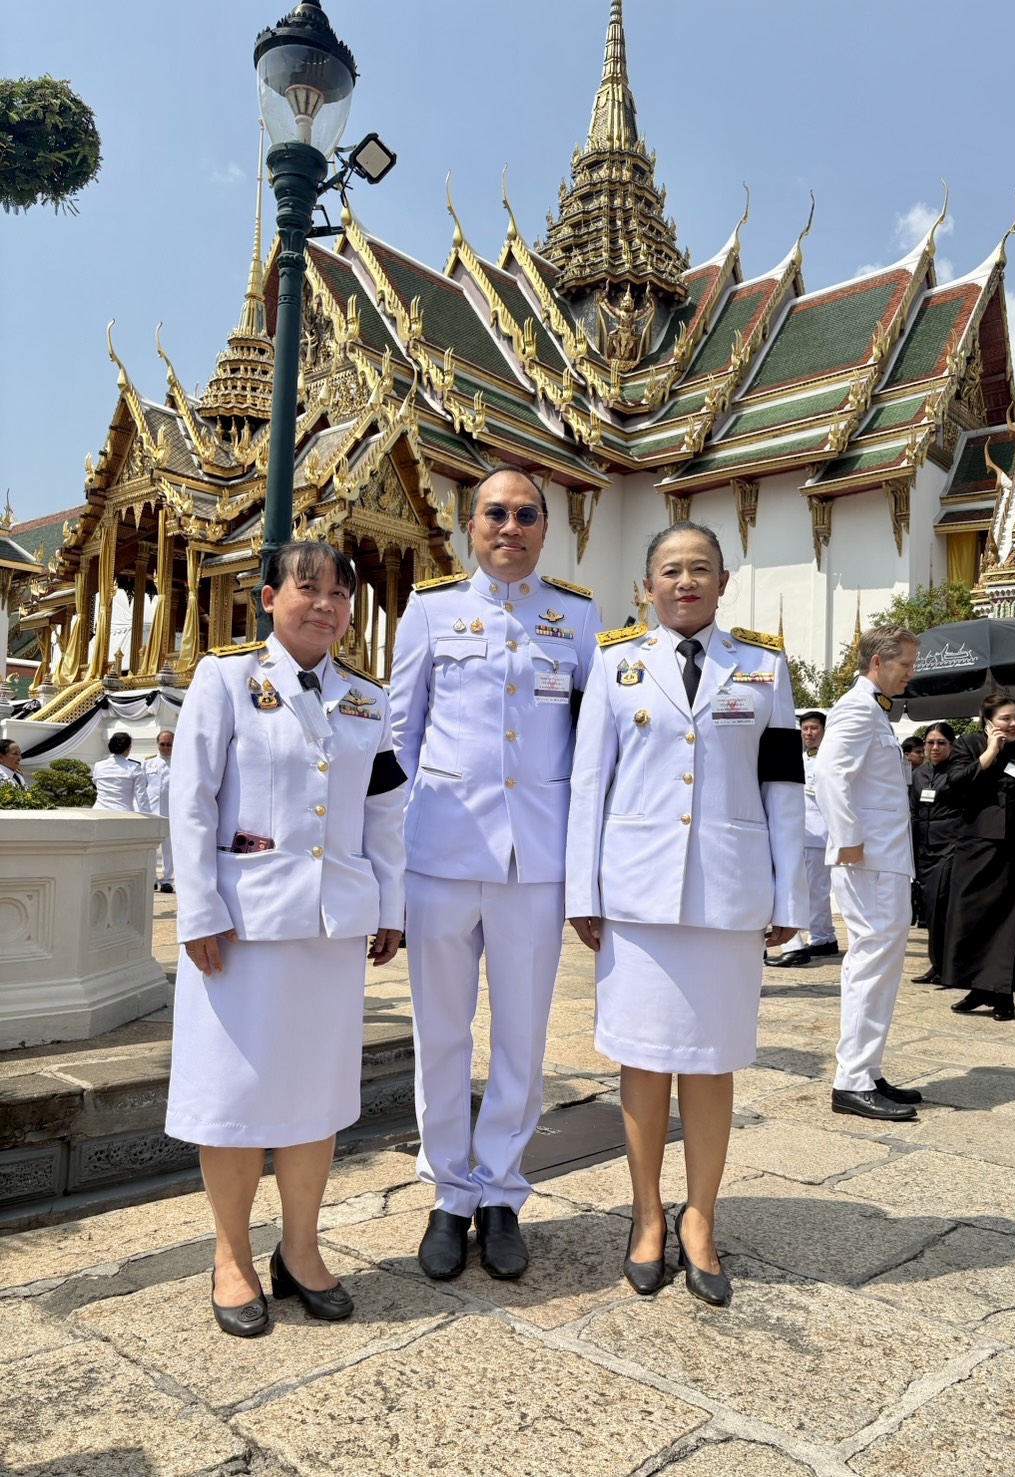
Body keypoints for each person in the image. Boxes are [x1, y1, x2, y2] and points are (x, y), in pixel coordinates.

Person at [165, 541, 406, 1337]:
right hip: (241, 928)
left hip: (332, 926)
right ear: (268, 597)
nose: (327, 605)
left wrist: (390, 904)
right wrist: (197, 907)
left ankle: (300, 1248)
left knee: (315, 1097)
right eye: (309, 590)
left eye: (340, 594)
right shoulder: (226, 679)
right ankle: (230, 1253)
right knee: (234, 1099)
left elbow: (385, 816)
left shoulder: (368, 700)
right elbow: (192, 799)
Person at [567, 520, 806, 1306]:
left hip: (728, 895)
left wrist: (790, 893)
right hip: (637, 896)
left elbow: (782, 787)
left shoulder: (763, 666)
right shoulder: (616, 664)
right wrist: (583, 892)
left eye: (700, 568)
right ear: (648, 585)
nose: (685, 582)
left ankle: (698, 1215)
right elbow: (586, 786)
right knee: (643, 1060)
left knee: (711, 1062)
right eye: (670, 570)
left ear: (723, 582)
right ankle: (644, 1213)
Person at [389, 467, 603, 1283]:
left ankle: (503, 1191)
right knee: (441, 1034)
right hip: (441, 854)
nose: (509, 526)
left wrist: (586, 876)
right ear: (466, 524)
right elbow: (399, 743)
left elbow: (593, 753)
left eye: (525, 514)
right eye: (494, 513)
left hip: (535, 862)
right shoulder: (433, 610)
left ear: (545, 529)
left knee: (521, 1035)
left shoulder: (576, 616)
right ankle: (450, 1192)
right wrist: (389, 868)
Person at [812, 625, 922, 1122]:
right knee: (870, 964)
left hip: (884, 859)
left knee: (882, 965)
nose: (910, 674)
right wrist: (849, 838)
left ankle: (868, 1068)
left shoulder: (874, 712)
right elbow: (830, 776)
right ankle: (852, 1078)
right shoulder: (856, 709)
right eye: (905, 665)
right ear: (878, 662)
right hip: (869, 860)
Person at [942, 692, 1015, 1020]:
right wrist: (991, 752)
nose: (1013, 724)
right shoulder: (969, 745)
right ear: (988, 722)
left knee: (1013, 923)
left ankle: (1003, 993)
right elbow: (953, 785)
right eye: (1006, 719)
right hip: (977, 846)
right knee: (974, 918)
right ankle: (978, 986)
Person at [769, 710, 838, 966]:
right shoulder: (800, 759)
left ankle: (822, 937)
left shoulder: (829, 760)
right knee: (808, 889)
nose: (809, 733)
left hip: (820, 833)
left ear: (824, 730)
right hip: (802, 833)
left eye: (814, 728)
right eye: (805, 729)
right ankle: (822, 936)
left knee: (817, 891)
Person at [909, 723, 961, 985]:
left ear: (952, 745)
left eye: (941, 742)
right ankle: (936, 965)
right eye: (930, 743)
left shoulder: (957, 771)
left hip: (950, 847)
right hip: (925, 849)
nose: (935, 748)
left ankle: (949, 967)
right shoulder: (920, 773)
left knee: (943, 907)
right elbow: (915, 811)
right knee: (930, 911)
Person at [142, 730, 175, 892]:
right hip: (152, 811)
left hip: (172, 812)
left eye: (169, 744)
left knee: (169, 848)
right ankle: (152, 877)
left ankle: (167, 879)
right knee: (151, 846)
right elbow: (141, 789)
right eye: (162, 744)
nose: (165, 747)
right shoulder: (147, 764)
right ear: (157, 744)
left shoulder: (179, 765)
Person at [92, 732, 148, 812]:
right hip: (122, 813)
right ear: (128, 748)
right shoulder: (134, 767)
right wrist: (149, 818)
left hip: (99, 811)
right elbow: (141, 797)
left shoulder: (98, 766)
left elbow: (95, 784)